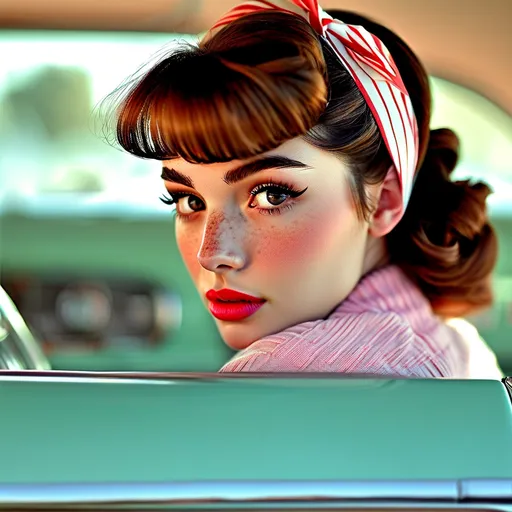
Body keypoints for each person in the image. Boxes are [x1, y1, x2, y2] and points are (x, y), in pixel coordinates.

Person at [109, 0, 503, 377]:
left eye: (271, 195)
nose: (213, 255)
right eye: (189, 200)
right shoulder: (445, 332)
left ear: (384, 199)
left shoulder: (290, 375)